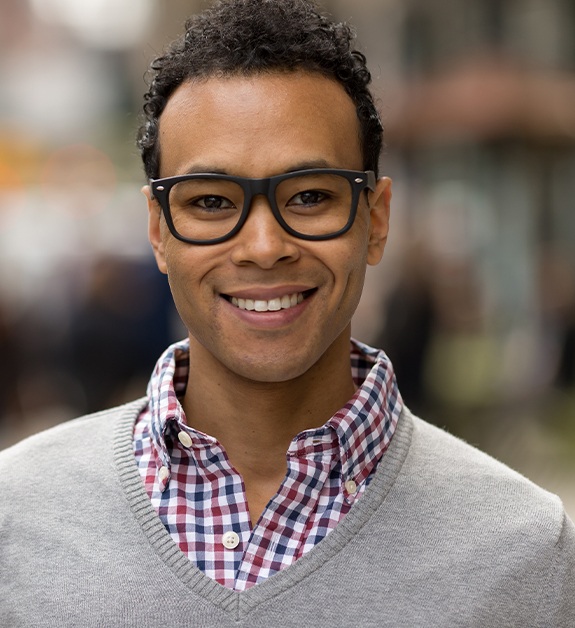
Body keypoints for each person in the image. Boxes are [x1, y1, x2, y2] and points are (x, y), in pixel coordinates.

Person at [1, 0, 574, 625]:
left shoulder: (528, 553)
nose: (265, 247)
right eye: (213, 201)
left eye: (308, 197)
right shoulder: (17, 515)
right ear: (158, 231)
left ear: (375, 221)